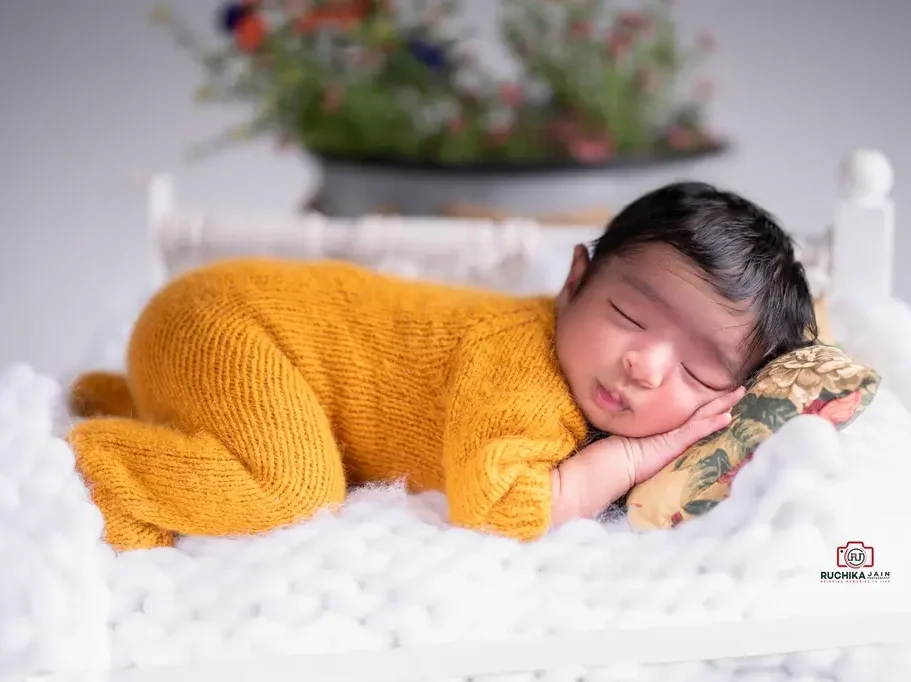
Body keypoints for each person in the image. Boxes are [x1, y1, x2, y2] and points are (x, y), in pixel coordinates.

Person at [66, 181, 818, 551]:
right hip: (227, 324)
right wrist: (634, 454)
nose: (645, 366)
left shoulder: (593, 372)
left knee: (269, 441)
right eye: (629, 315)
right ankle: (90, 463)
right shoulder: (521, 370)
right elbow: (496, 507)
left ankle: (146, 403)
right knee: (292, 489)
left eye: (699, 371)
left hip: (230, 339)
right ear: (574, 280)